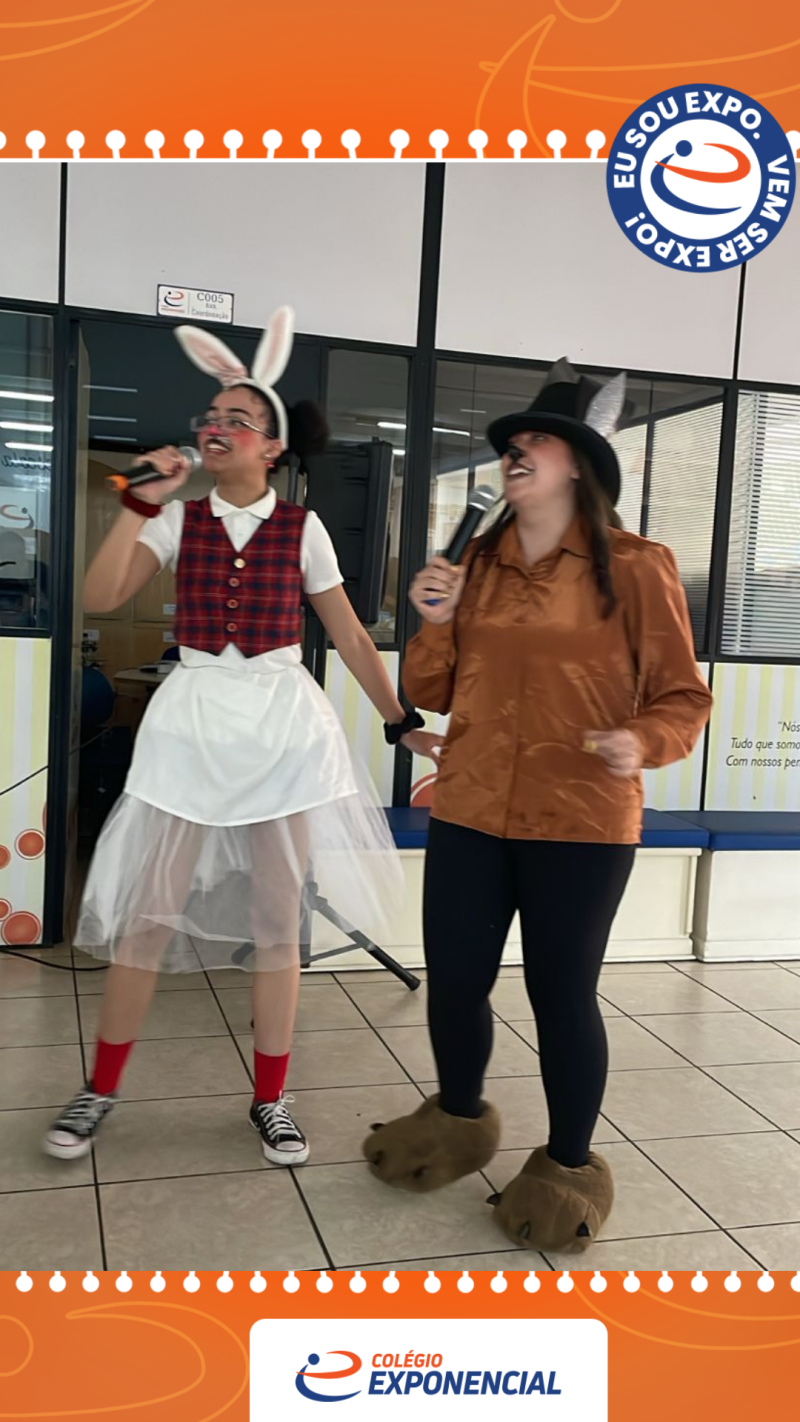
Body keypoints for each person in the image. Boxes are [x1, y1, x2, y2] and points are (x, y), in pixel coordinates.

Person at [45, 307, 440, 1167]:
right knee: (148, 914)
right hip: (191, 727)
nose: (216, 426)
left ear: (273, 446)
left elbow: (348, 633)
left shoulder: (303, 529)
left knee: (275, 919)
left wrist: (399, 720)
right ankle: (99, 1087)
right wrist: (136, 500)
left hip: (279, 729)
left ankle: (270, 1097)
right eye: (211, 415)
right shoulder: (174, 518)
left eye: (238, 417)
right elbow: (101, 595)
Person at [363, 358, 713, 1253]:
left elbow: (683, 697)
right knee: (455, 982)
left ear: (579, 465)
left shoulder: (636, 567)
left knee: (562, 995)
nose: (515, 453)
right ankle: (457, 1120)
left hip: (583, 820)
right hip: (472, 808)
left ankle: (567, 1167)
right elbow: (432, 689)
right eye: (511, 443)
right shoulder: (473, 563)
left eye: (536, 442)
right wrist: (432, 616)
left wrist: (641, 740)